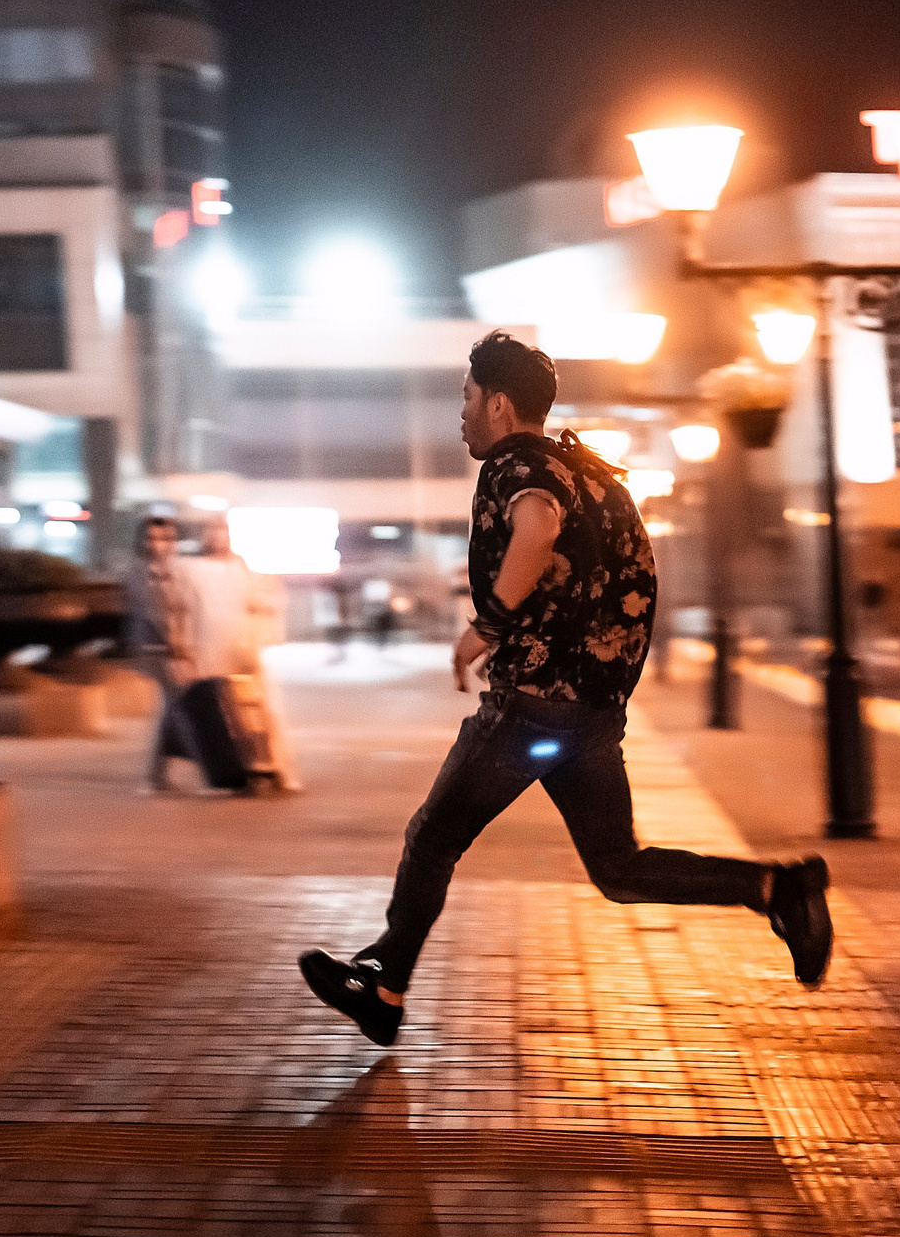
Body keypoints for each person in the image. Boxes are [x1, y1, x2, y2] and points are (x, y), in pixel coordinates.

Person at [299, 331, 829, 1046]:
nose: (460, 413)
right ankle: (777, 888)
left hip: (533, 706)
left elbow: (538, 524)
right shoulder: (594, 473)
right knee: (619, 867)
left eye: (465, 397)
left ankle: (384, 988)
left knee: (432, 838)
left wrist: (485, 628)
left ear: (498, 404)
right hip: (591, 712)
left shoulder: (519, 462)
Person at [158, 516, 302, 791]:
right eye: (211, 531)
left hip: (242, 650)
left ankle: (276, 770)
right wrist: (179, 650)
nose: (217, 538)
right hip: (204, 652)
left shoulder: (243, 569)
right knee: (202, 714)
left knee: (265, 713)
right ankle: (218, 771)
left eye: (222, 531)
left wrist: (262, 620)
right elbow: (177, 608)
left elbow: (266, 600)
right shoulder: (191, 568)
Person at [124, 513, 191, 791]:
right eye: (151, 538)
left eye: (164, 539)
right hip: (153, 649)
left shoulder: (179, 571)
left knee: (173, 708)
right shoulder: (138, 572)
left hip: (175, 649)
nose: (157, 545)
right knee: (175, 705)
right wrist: (174, 642)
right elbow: (151, 612)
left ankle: (158, 774)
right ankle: (156, 775)